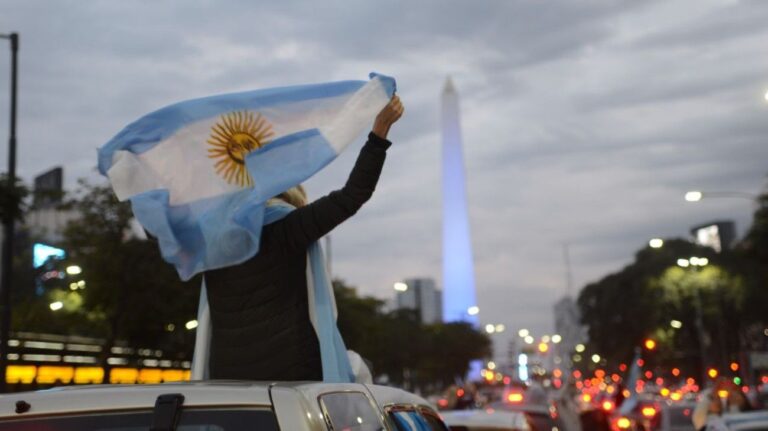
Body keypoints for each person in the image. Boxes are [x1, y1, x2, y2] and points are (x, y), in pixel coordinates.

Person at [202, 95, 404, 381]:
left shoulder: (211, 240)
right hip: (290, 378)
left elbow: (159, 232)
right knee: (361, 370)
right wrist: (379, 134)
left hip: (226, 379)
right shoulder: (287, 229)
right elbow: (352, 195)